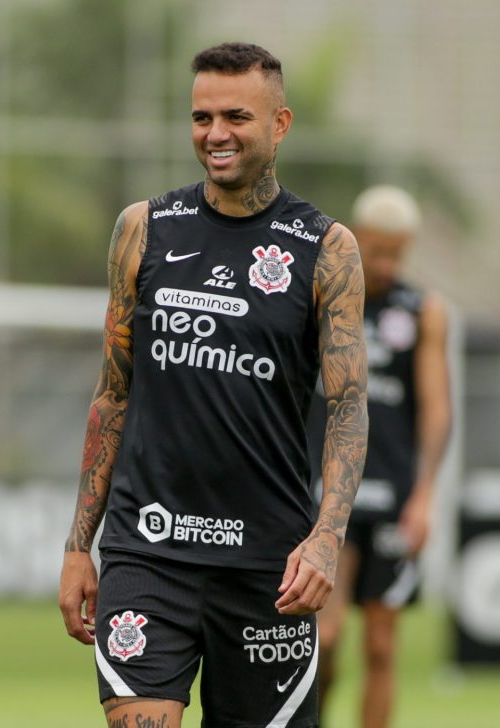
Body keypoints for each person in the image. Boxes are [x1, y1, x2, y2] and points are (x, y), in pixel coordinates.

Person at [58, 42, 368, 728]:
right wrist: (80, 545)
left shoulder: (327, 249)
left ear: (279, 124)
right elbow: (113, 394)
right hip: (148, 551)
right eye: (202, 117)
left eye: (236, 116)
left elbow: (347, 406)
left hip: (268, 567)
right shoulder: (143, 230)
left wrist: (327, 537)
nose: (216, 133)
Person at [306, 185, 452, 728]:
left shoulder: (423, 313)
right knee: (325, 635)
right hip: (326, 495)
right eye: (378, 249)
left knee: (382, 648)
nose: (387, 262)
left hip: (392, 496)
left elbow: (436, 410)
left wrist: (425, 495)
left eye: (398, 251)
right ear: (356, 237)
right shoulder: (320, 298)